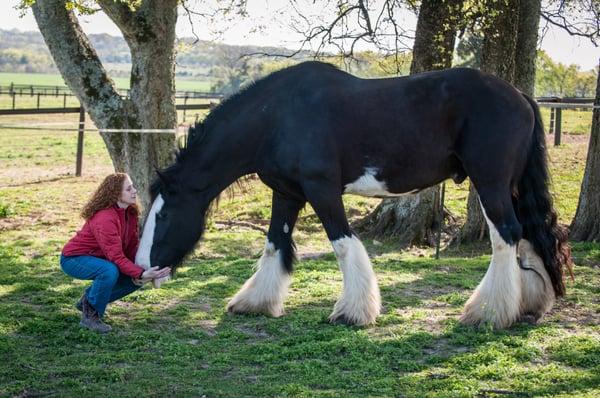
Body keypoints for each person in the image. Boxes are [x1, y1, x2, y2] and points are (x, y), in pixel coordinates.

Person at [60, 173, 171, 333]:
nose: (134, 191)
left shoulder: (130, 212)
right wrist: (141, 272)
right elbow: (116, 258)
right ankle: (91, 316)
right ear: (116, 194)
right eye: (129, 188)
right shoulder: (105, 218)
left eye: (132, 186)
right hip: (74, 259)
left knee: (137, 278)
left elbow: (132, 246)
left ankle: (89, 301)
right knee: (109, 271)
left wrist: (148, 267)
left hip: (103, 259)